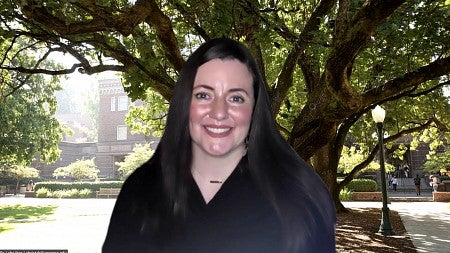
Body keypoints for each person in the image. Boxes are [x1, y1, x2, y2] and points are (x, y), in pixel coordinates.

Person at [102, 38, 336, 253]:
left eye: (236, 98)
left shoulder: (301, 194)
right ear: (185, 102)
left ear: (254, 109)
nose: (219, 112)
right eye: (204, 95)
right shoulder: (141, 190)